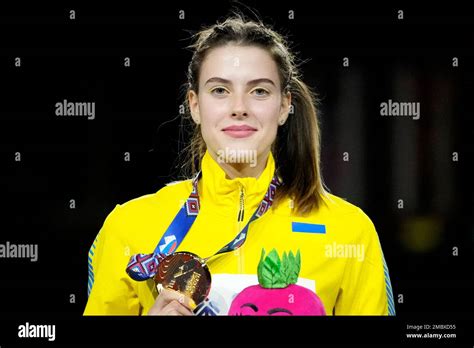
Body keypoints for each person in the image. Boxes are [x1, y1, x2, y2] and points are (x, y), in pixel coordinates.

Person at [83, 15, 395, 316]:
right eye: (220, 90)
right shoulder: (128, 227)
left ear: (285, 106)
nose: (239, 108)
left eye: (259, 91)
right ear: (194, 105)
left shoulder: (349, 232)